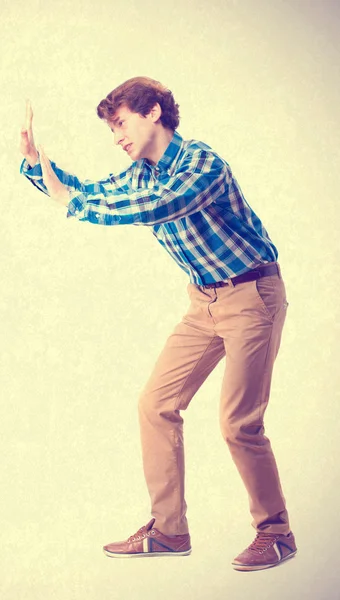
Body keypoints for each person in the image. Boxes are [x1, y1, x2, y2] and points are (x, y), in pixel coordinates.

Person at [18, 76, 296, 572]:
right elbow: (91, 191)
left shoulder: (200, 165)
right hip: (204, 302)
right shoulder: (140, 172)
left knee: (238, 423)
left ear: (153, 113)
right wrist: (38, 165)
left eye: (121, 123)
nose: (117, 137)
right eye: (112, 130)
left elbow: (157, 207)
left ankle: (276, 534)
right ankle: (169, 531)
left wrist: (73, 205)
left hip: (253, 296)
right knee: (156, 404)